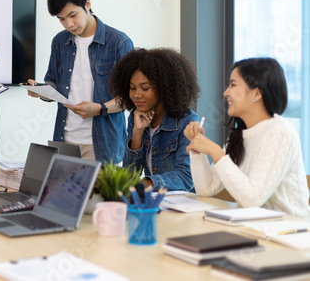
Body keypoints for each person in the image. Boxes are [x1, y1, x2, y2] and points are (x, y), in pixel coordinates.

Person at [185, 58, 310, 218]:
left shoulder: (281, 132)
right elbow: (205, 189)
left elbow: (252, 199)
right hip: (256, 227)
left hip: (290, 233)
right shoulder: (240, 136)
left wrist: (216, 152)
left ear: (256, 93)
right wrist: (198, 151)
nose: (226, 93)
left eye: (233, 85)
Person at [27, 0, 134, 163]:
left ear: (87, 3)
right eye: (61, 19)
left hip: (103, 144)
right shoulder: (59, 42)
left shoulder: (119, 42)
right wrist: (41, 91)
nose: (68, 24)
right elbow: (54, 84)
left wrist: (100, 109)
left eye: (72, 15)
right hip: (65, 140)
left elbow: (130, 97)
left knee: (99, 193)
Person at [110, 48, 200, 191]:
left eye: (145, 88)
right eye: (132, 88)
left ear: (164, 88)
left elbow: (186, 177)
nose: (136, 95)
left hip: (183, 205)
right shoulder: (136, 118)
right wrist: (137, 133)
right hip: (155, 201)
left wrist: (146, 184)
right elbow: (129, 175)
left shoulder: (187, 121)